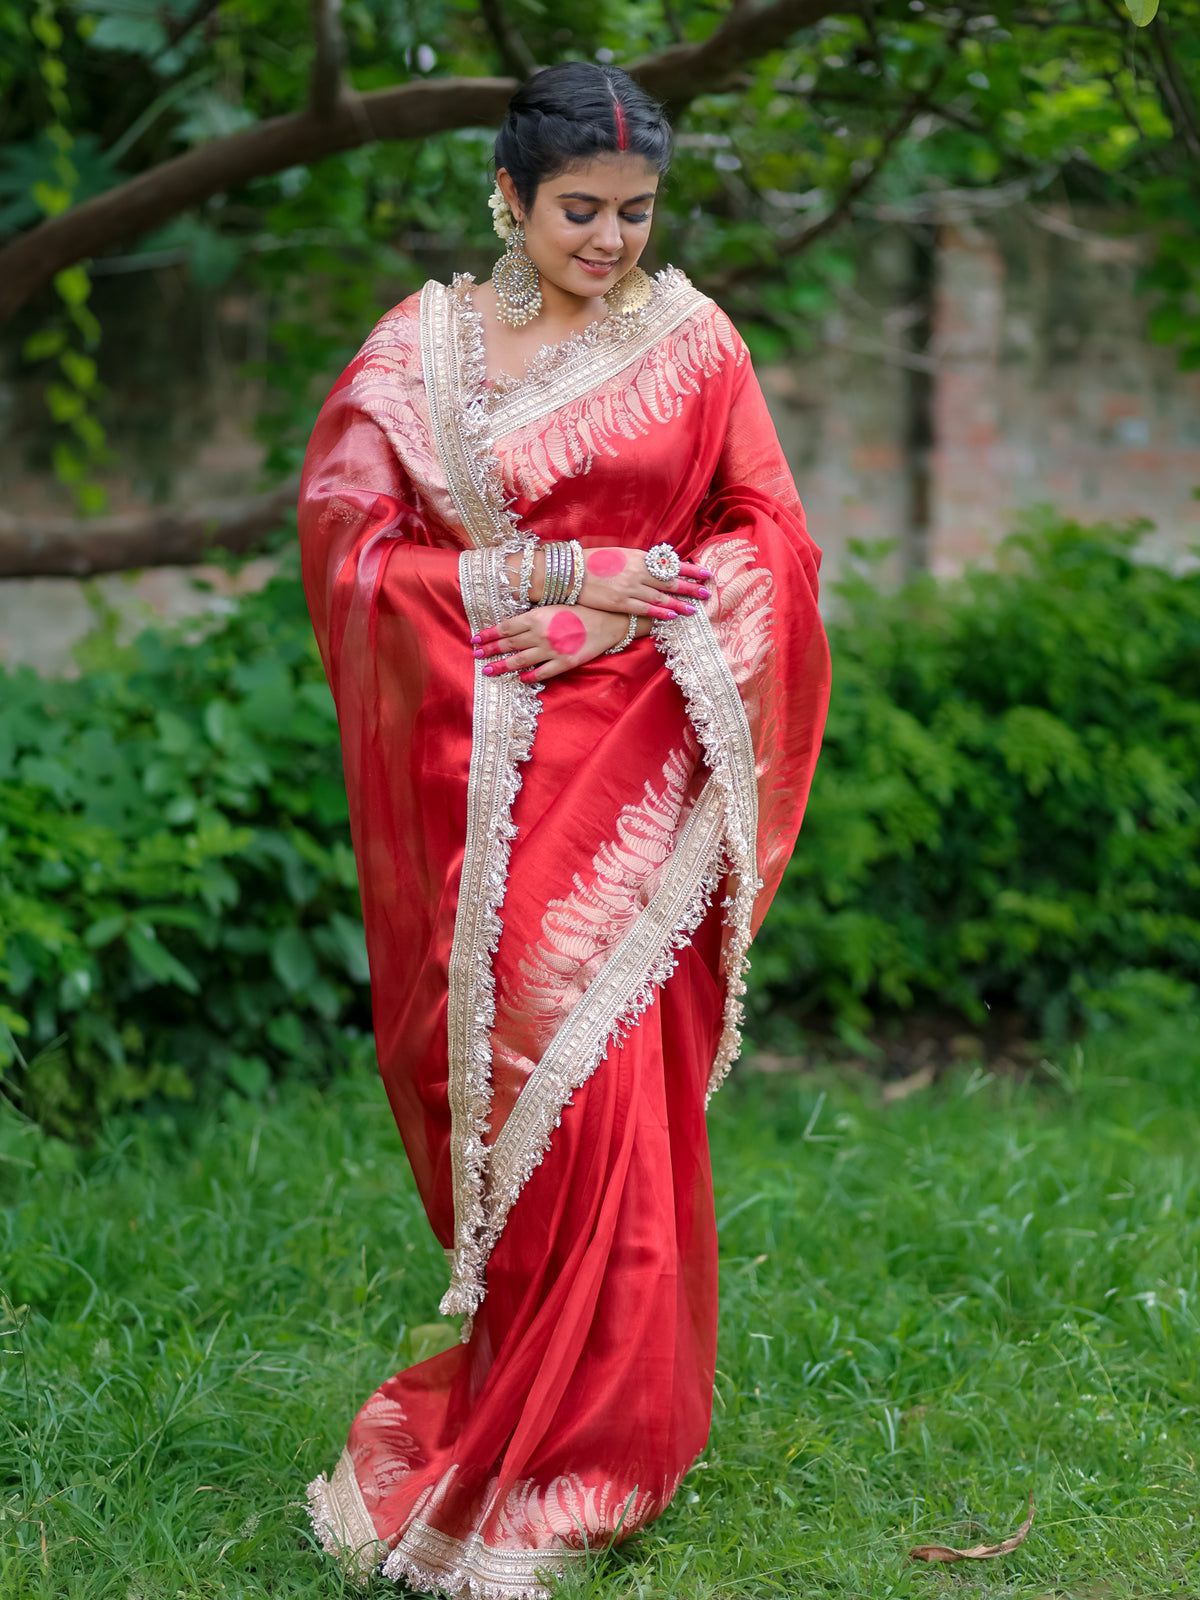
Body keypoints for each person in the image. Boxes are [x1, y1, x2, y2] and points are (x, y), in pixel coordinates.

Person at [298, 58, 832, 1600]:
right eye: (580, 211)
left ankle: (599, 1448)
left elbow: (767, 538)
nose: (610, 240)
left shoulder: (695, 344)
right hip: (480, 757)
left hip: (647, 749)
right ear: (510, 198)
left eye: (636, 212)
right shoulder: (422, 353)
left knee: (612, 1090)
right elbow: (351, 551)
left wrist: (621, 616)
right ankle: (515, 1404)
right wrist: (550, 578)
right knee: (510, 1074)